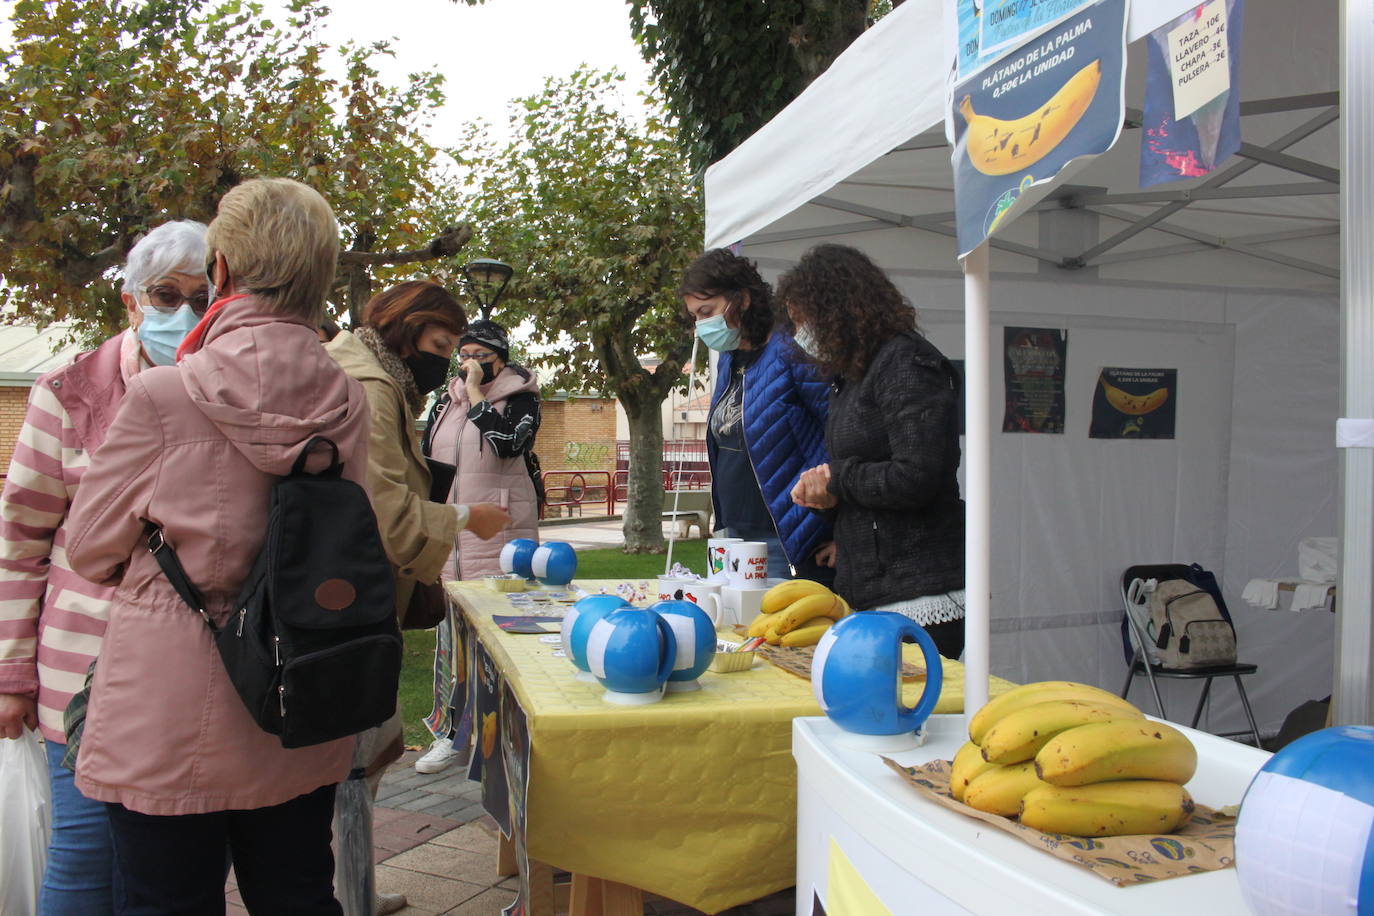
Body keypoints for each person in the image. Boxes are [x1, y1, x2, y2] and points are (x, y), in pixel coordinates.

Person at [61, 178, 365, 913]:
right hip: (296, 692)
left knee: (165, 899)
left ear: (220, 269)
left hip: (165, 704)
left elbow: (90, 546)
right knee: (296, 893)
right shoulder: (346, 397)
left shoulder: (164, 395)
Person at [0, 219, 208, 914]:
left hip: (189, 680)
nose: (182, 312)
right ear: (129, 300)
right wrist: (10, 674)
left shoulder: (224, 392)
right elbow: (20, 542)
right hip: (81, 679)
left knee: (165, 882)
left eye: (201, 296)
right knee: (86, 867)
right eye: (164, 294)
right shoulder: (70, 393)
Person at [326, 289, 512, 782]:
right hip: (358, 590)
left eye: (470, 353)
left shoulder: (389, 382)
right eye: (445, 345)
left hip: (371, 578)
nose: (453, 361)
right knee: (353, 764)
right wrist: (465, 517)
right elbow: (386, 509)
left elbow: (504, 442)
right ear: (408, 328)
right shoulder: (374, 387)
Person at [783, 243, 966, 660]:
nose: (801, 335)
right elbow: (867, 475)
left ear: (837, 311)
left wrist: (837, 480)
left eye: (804, 320)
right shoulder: (854, 375)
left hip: (919, 591)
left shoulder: (907, 363)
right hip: (873, 585)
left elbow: (917, 474)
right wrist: (829, 503)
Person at [414, 318, 540, 774]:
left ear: (499, 359)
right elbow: (427, 461)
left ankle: (507, 737)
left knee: (501, 639)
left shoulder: (522, 398)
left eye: (479, 356)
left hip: (501, 534)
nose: (469, 364)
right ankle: (449, 733)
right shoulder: (445, 402)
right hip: (452, 536)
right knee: (450, 638)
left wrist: (479, 396)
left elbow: (508, 445)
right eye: (463, 355)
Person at [679, 248, 835, 583]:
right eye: (695, 316)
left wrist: (842, 531)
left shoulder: (791, 351)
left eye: (707, 311)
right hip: (732, 533)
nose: (701, 325)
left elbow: (838, 431)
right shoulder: (728, 360)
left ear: (743, 299)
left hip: (786, 536)